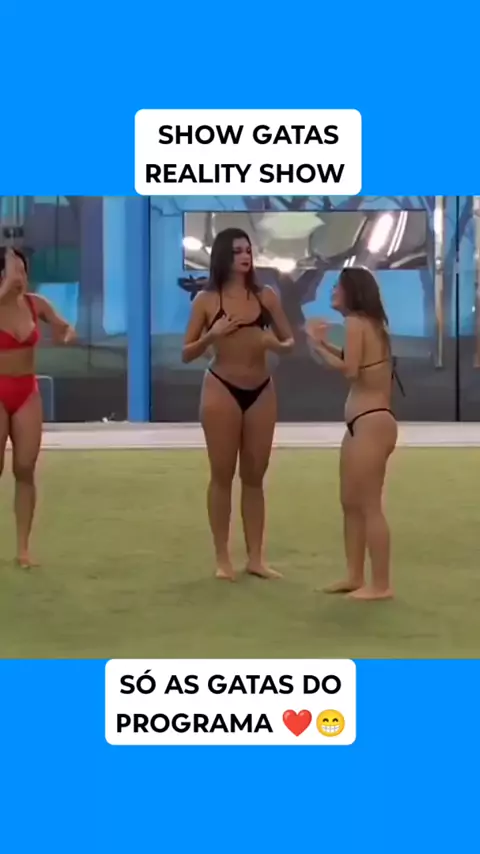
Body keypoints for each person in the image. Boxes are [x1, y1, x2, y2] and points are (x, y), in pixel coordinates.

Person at [182, 228, 294, 581]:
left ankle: (256, 558)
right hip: (221, 388)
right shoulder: (206, 301)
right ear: (223, 257)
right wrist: (212, 335)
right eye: (237, 251)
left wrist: (272, 344)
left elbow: (289, 342)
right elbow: (186, 352)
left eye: (247, 250)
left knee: (254, 476)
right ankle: (222, 558)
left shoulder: (266, 296)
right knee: (222, 474)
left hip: (261, 389)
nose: (245, 256)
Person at [306, 267, 402, 601]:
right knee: (350, 501)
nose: (333, 291)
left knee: (369, 504)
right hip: (362, 424)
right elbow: (355, 361)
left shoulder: (356, 323)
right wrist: (322, 344)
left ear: (353, 292)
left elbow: (349, 370)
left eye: (338, 286)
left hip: (372, 422)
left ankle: (381, 584)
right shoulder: (367, 324)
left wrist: (317, 345)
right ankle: (354, 575)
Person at [0, 247, 76, 568]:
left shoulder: (35, 303)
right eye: (13, 270)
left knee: (25, 467)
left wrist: (66, 333)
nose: (20, 276)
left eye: (23, 269)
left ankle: (23, 549)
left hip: (26, 390)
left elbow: (64, 326)